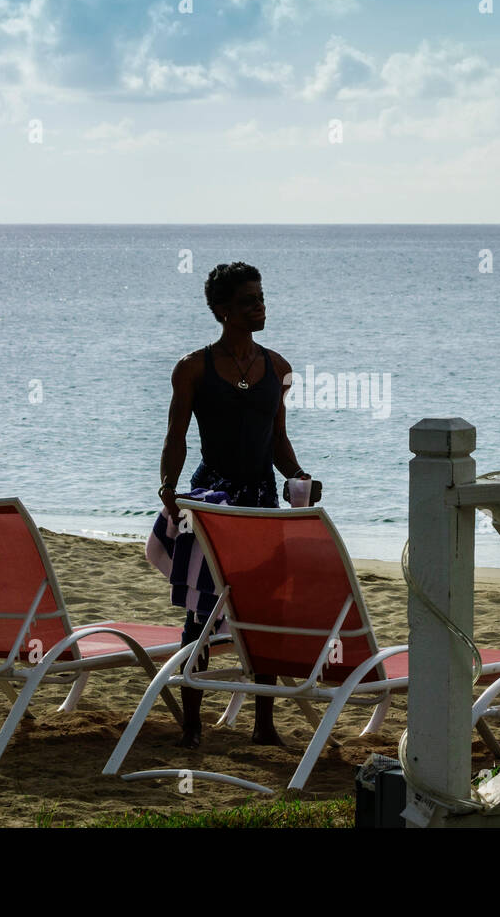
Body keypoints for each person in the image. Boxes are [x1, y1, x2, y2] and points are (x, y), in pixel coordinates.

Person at [158, 261, 322, 748]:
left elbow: (278, 439)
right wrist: (168, 486)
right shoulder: (192, 368)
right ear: (222, 311)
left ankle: (264, 724)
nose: (260, 306)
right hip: (212, 499)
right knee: (201, 609)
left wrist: (297, 476)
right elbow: (176, 437)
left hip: (262, 502)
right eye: (249, 300)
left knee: (263, 609)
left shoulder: (277, 368)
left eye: (261, 297)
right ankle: (191, 722)